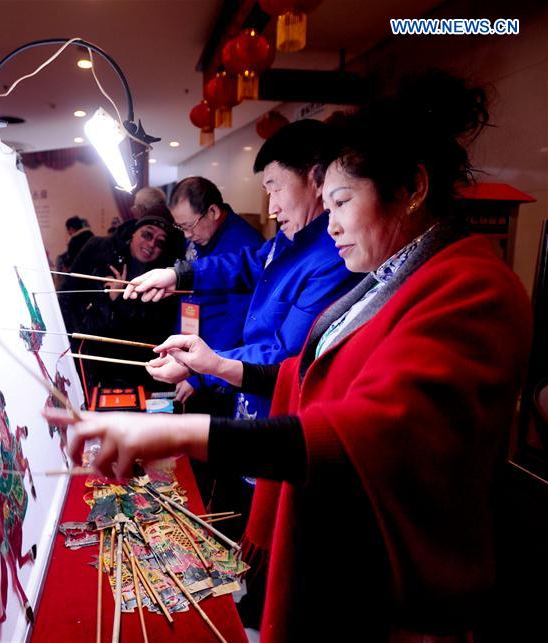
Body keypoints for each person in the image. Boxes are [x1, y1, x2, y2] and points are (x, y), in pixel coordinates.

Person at [46, 71, 532, 642]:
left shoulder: (475, 288)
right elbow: (300, 373)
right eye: (328, 205)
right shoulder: (384, 277)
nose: (334, 225)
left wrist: (183, 433)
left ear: (414, 188)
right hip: (342, 553)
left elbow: (375, 432)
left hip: (394, 594)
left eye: (344, 202)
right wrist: (209, 358)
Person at [128, 120, 361, 422]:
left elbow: (286, 356)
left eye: (276, 189)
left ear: (316, 179)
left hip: (277, 407)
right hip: (247, 393)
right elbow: (248, 263)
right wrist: (178, 275)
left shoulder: (337, 255)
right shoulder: (291, 236)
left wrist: (203, 366)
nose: (272, 209)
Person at [58, 206, 184, 390]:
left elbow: (154, 329)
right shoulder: (98, 248)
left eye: (160, 243)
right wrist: (65, 339)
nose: (151, 244)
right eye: (147, 235)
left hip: (130, 369)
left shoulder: (165, 275)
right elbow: (66, 295)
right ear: (134, 232)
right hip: (83, 352)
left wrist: (119, 298)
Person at [168, 177, 264, 412]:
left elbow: (237, 323)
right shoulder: (198, 238)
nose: (186, 235)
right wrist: (178, 352)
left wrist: (199, 374)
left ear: (212, 211)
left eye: (189, 226)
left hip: (220, 370)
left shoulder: (246, 245)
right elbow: (188, 299)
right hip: (194, 358)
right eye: (180, 227)